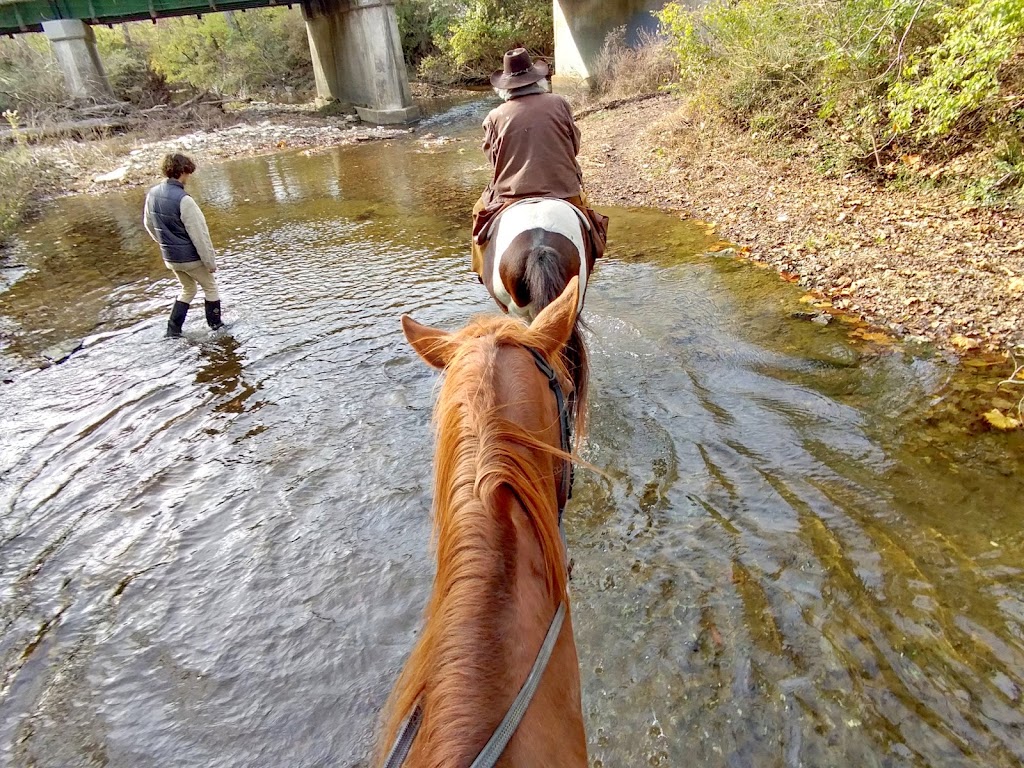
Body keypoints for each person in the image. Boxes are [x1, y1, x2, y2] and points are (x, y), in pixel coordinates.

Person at [471, 47, 608, 279]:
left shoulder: (495, 117)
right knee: (588, 219)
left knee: (478, 213)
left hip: (511, 195)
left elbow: (494, 161)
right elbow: (574, 146)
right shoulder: (559, 103)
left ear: (506, 87)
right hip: (563, 189)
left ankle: (484, 273)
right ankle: (589, 264)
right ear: (537, 80)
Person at [143, 153, 224, 337]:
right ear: (183, 172)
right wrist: (210, 263)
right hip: (190, 259)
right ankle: (217, 328)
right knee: (210, 287)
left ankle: (173, 330)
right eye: (188, 173)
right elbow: (200, 236)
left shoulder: (152, 194)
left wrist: (165, 243)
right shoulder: (184, 200)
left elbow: (148, 224)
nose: (189, 177)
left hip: (170, 258)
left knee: (188, 289)